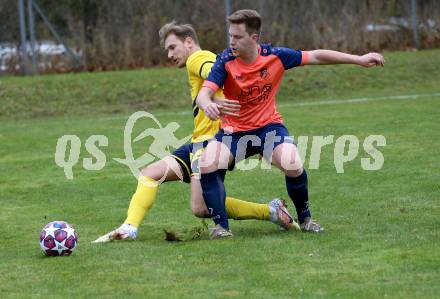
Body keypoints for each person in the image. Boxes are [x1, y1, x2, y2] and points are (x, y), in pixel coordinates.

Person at [92, 21, 298, 243]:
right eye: (167, 50)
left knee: (201, 207)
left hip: (211, 144)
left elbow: (217, 72)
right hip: (197, 142)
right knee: (150, 175)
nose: (169, 55)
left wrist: (218, 94)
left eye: (172, 47)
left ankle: (271, 212)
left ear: (188, 41)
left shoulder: (197, 58)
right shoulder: (203, 59)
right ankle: (129, 227)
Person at [196, 9, 385, 237]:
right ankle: (221, 228)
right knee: (208, 162)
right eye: (230, 36)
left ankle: (305, 219)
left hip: (268, 128)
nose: (231, 42)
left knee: (293, 163)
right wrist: (207, 103)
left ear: (254, 38)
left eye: (237, 37)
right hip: (234, 132)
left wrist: (358, 59)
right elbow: (204, 93)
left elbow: (315, 56)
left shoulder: (275, 56)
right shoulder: (225, 61)